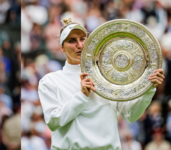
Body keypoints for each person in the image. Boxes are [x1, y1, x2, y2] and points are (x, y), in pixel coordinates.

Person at [38, 18, 165, 150]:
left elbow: (131, 115)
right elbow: (53, 121)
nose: (80, 45)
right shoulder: (50, 81)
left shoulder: (108, 77)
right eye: (72, 41)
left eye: (82, 39)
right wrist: (82, 96)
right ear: (62, 48)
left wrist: (148, 89)